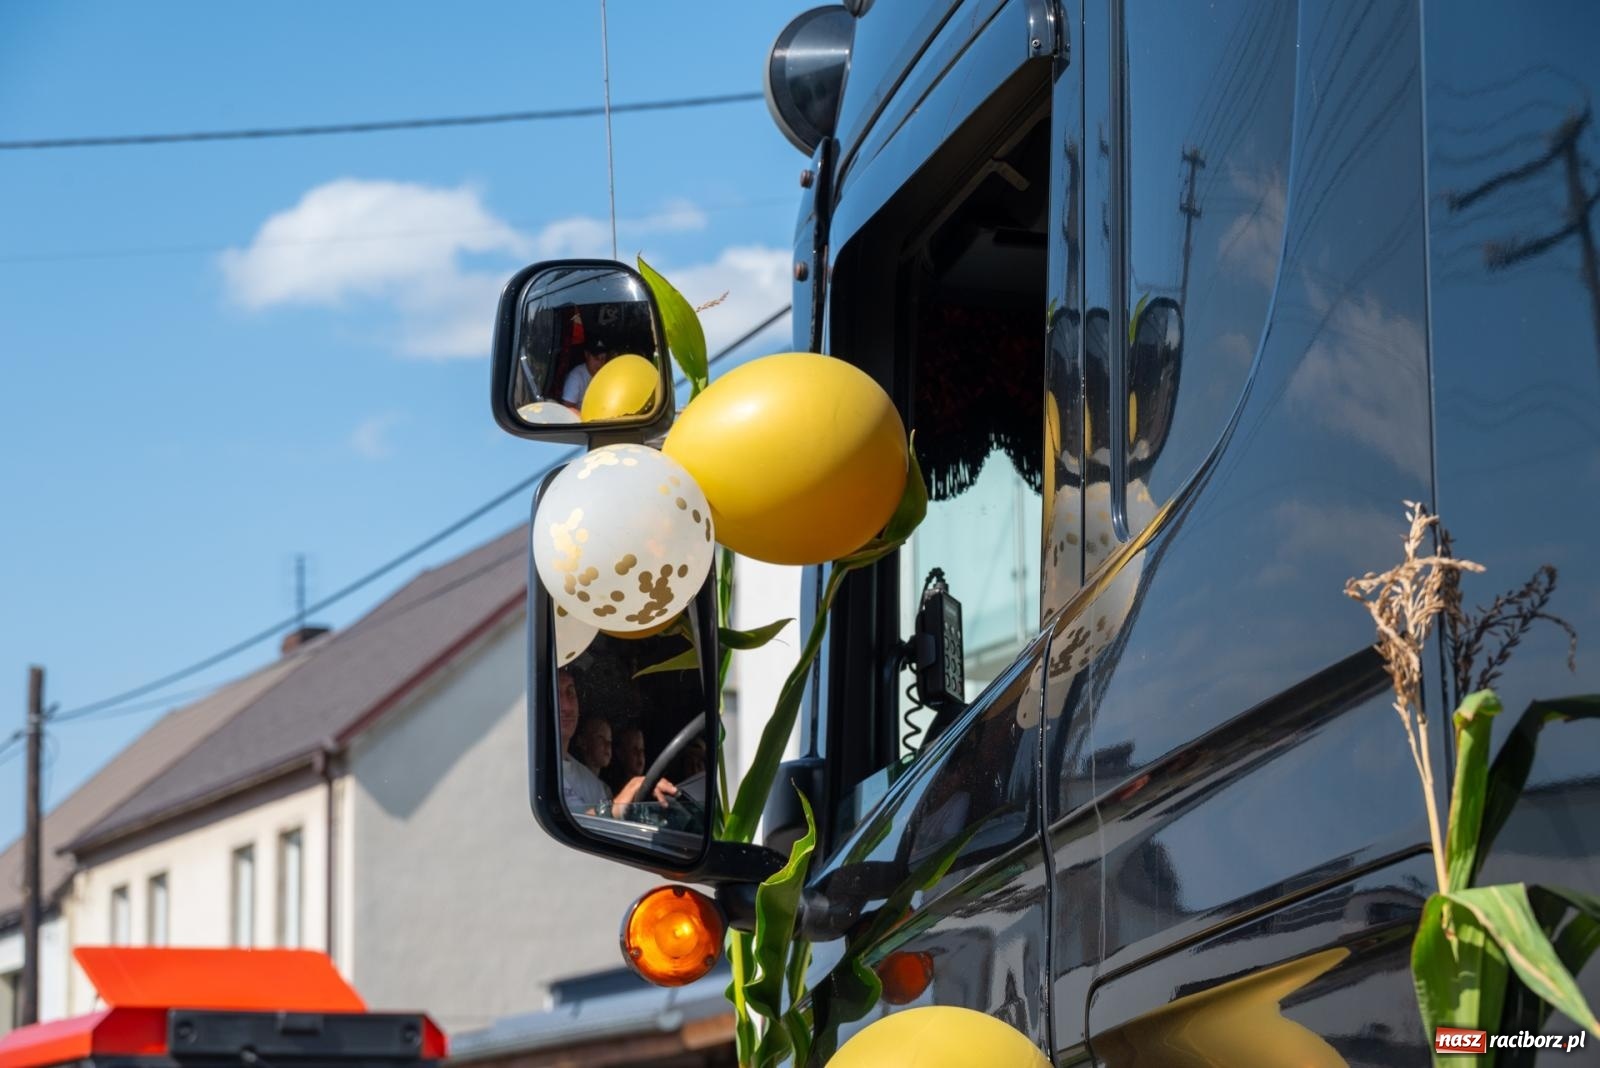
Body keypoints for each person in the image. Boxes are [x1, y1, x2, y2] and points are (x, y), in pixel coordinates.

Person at [557, 669, 676, 815]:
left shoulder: (594, 786)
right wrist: (618, 804)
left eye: (570, 693)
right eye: (555, 694)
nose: (567, 707)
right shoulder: (529, 773)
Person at [560, 340, 610, 408]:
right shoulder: (576, 378)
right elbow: (567, 408)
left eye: (603, 358)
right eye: (596, 358)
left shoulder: (606, 375)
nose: (600, 363)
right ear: (586, 355)